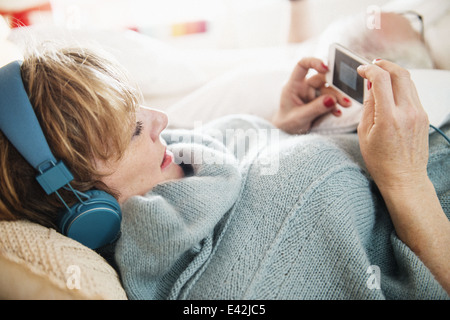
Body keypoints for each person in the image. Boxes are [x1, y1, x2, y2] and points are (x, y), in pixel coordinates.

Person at [0, 43, 448, 299]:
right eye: (135, 130)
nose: (163, 120)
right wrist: (407, 181)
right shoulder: (231, 293)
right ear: (85, 207)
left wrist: (273, 128)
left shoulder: (166, 166)